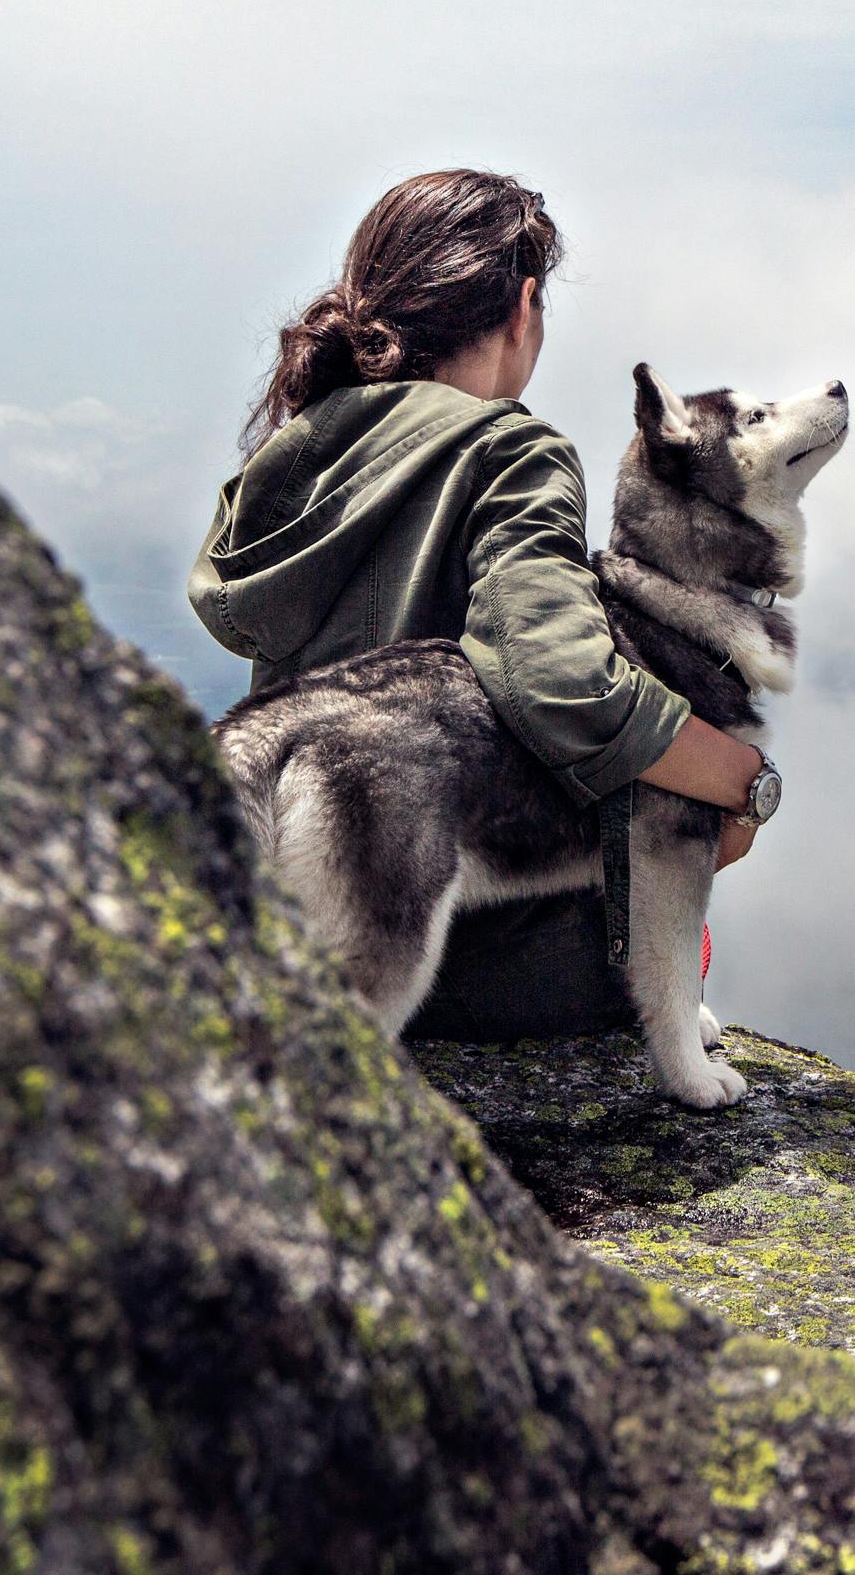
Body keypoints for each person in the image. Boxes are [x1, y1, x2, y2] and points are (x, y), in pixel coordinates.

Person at [186, 170, 775, 1039]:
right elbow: (562, 677)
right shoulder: (510, 451)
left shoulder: (292, 457)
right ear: (524, 304)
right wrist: (742, 780)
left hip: (307, 942)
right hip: (483, 971)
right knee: (677, 909)